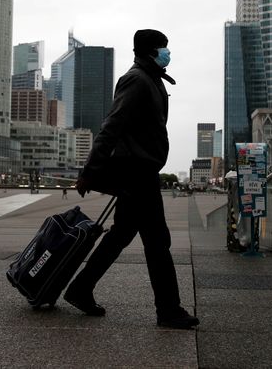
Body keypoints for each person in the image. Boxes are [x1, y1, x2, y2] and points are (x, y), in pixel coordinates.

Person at [65, 29, 199, 330]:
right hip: (136, 172)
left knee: (121, 234)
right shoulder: (137, 80)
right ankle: (168, 310)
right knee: (157, 241)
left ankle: (80, 289)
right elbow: (111, 126)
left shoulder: (150, 78)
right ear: (152, 50)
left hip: (141, 171)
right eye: (164, 48)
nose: (168, 53)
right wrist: (89, 171)